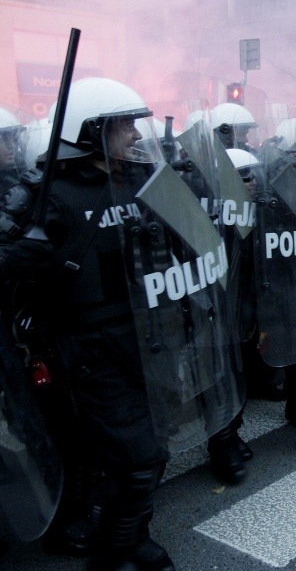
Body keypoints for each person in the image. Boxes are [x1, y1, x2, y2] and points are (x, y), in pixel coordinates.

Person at [0, 77, 187, 569]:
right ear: (87, 132)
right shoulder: (44, 194)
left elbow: (192, 242)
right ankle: (117, 549)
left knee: (154, 451)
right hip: (90, 347)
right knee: (135, 457)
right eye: (121, 123)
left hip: (148, 337)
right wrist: (22, 254)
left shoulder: (140, 179)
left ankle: (131, 534)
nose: (132, 132)